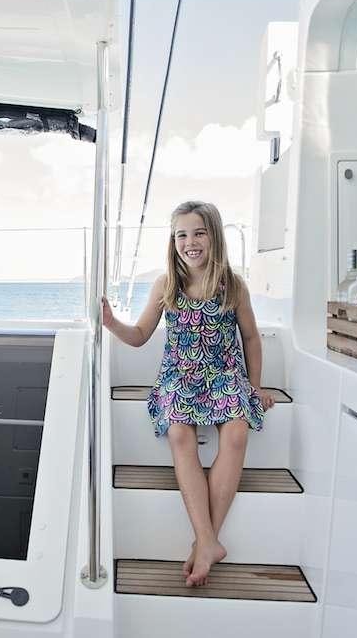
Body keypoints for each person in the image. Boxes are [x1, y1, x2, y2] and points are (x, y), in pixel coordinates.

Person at [102, 200, 275, 587]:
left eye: (198, 233)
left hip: (224, 374)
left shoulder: (233, 284)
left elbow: (250, 337)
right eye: (182, 234)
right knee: (179, 433)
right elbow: (141, 335)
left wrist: (255, 385)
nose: (190, 242)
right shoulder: (166, 284)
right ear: (173, 241)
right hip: (180, 376)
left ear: (213, 236)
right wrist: (113, 323)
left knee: (237, 431)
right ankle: (209, 540)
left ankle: (204, 542)